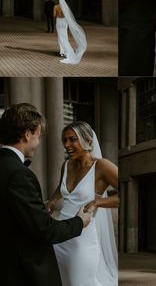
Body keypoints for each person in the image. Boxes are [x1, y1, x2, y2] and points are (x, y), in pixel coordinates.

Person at [0, 103, 91, 286]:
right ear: (27, 134)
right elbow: (45, 230)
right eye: (38, 136)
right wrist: (79, 222)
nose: (38, 143)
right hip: (22, 273)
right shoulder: (19, 174)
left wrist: (36, 210)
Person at [46, 121, 118, 286]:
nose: (67, 145)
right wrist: (52, 201)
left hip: (82, 240)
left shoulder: (101, 166)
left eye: (72, 140)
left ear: (88, 141)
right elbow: (61, 187)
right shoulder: (66, 165)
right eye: (64, 140)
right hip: (60, 234)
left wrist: (98, 202)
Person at [53, 0, 87, 64]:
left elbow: (54, 15)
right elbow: (68, 16)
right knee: (65, 37)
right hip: (65, 22)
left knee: (60, 37)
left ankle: (62, 51)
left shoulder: (56, 7)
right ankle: (64, 51)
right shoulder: (65, 7)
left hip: (58, 21)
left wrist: (57, 14)